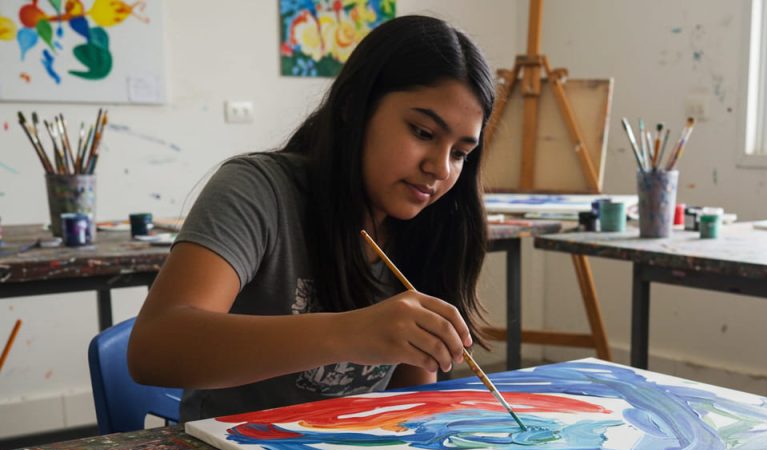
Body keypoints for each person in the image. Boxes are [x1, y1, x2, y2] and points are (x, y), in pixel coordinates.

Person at [128, 15, 495, 421]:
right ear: (354, 105)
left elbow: (409, 403)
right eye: (423, 132)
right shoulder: (259, 190)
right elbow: (154, 348)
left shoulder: (432, 224)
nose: (440, 168)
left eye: (460, 153)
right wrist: (349, 333)